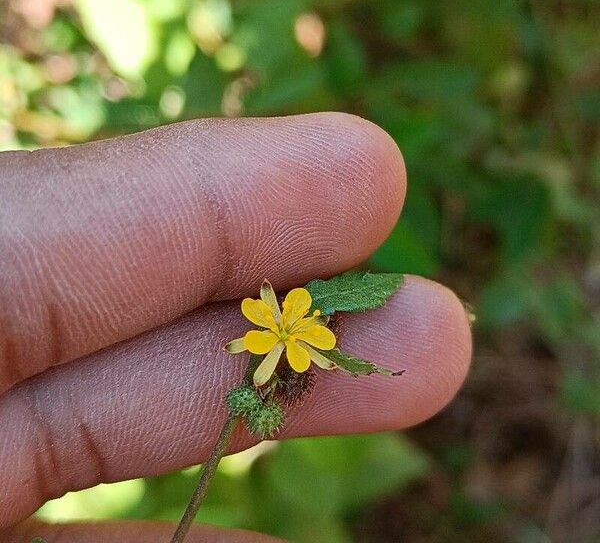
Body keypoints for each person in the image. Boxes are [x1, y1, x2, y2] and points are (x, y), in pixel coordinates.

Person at [0, 112, 472, 542]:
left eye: (292, 327)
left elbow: (291, 348)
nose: (288, 329)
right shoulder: (264, 333)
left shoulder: (294, 339)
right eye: (286, 326)